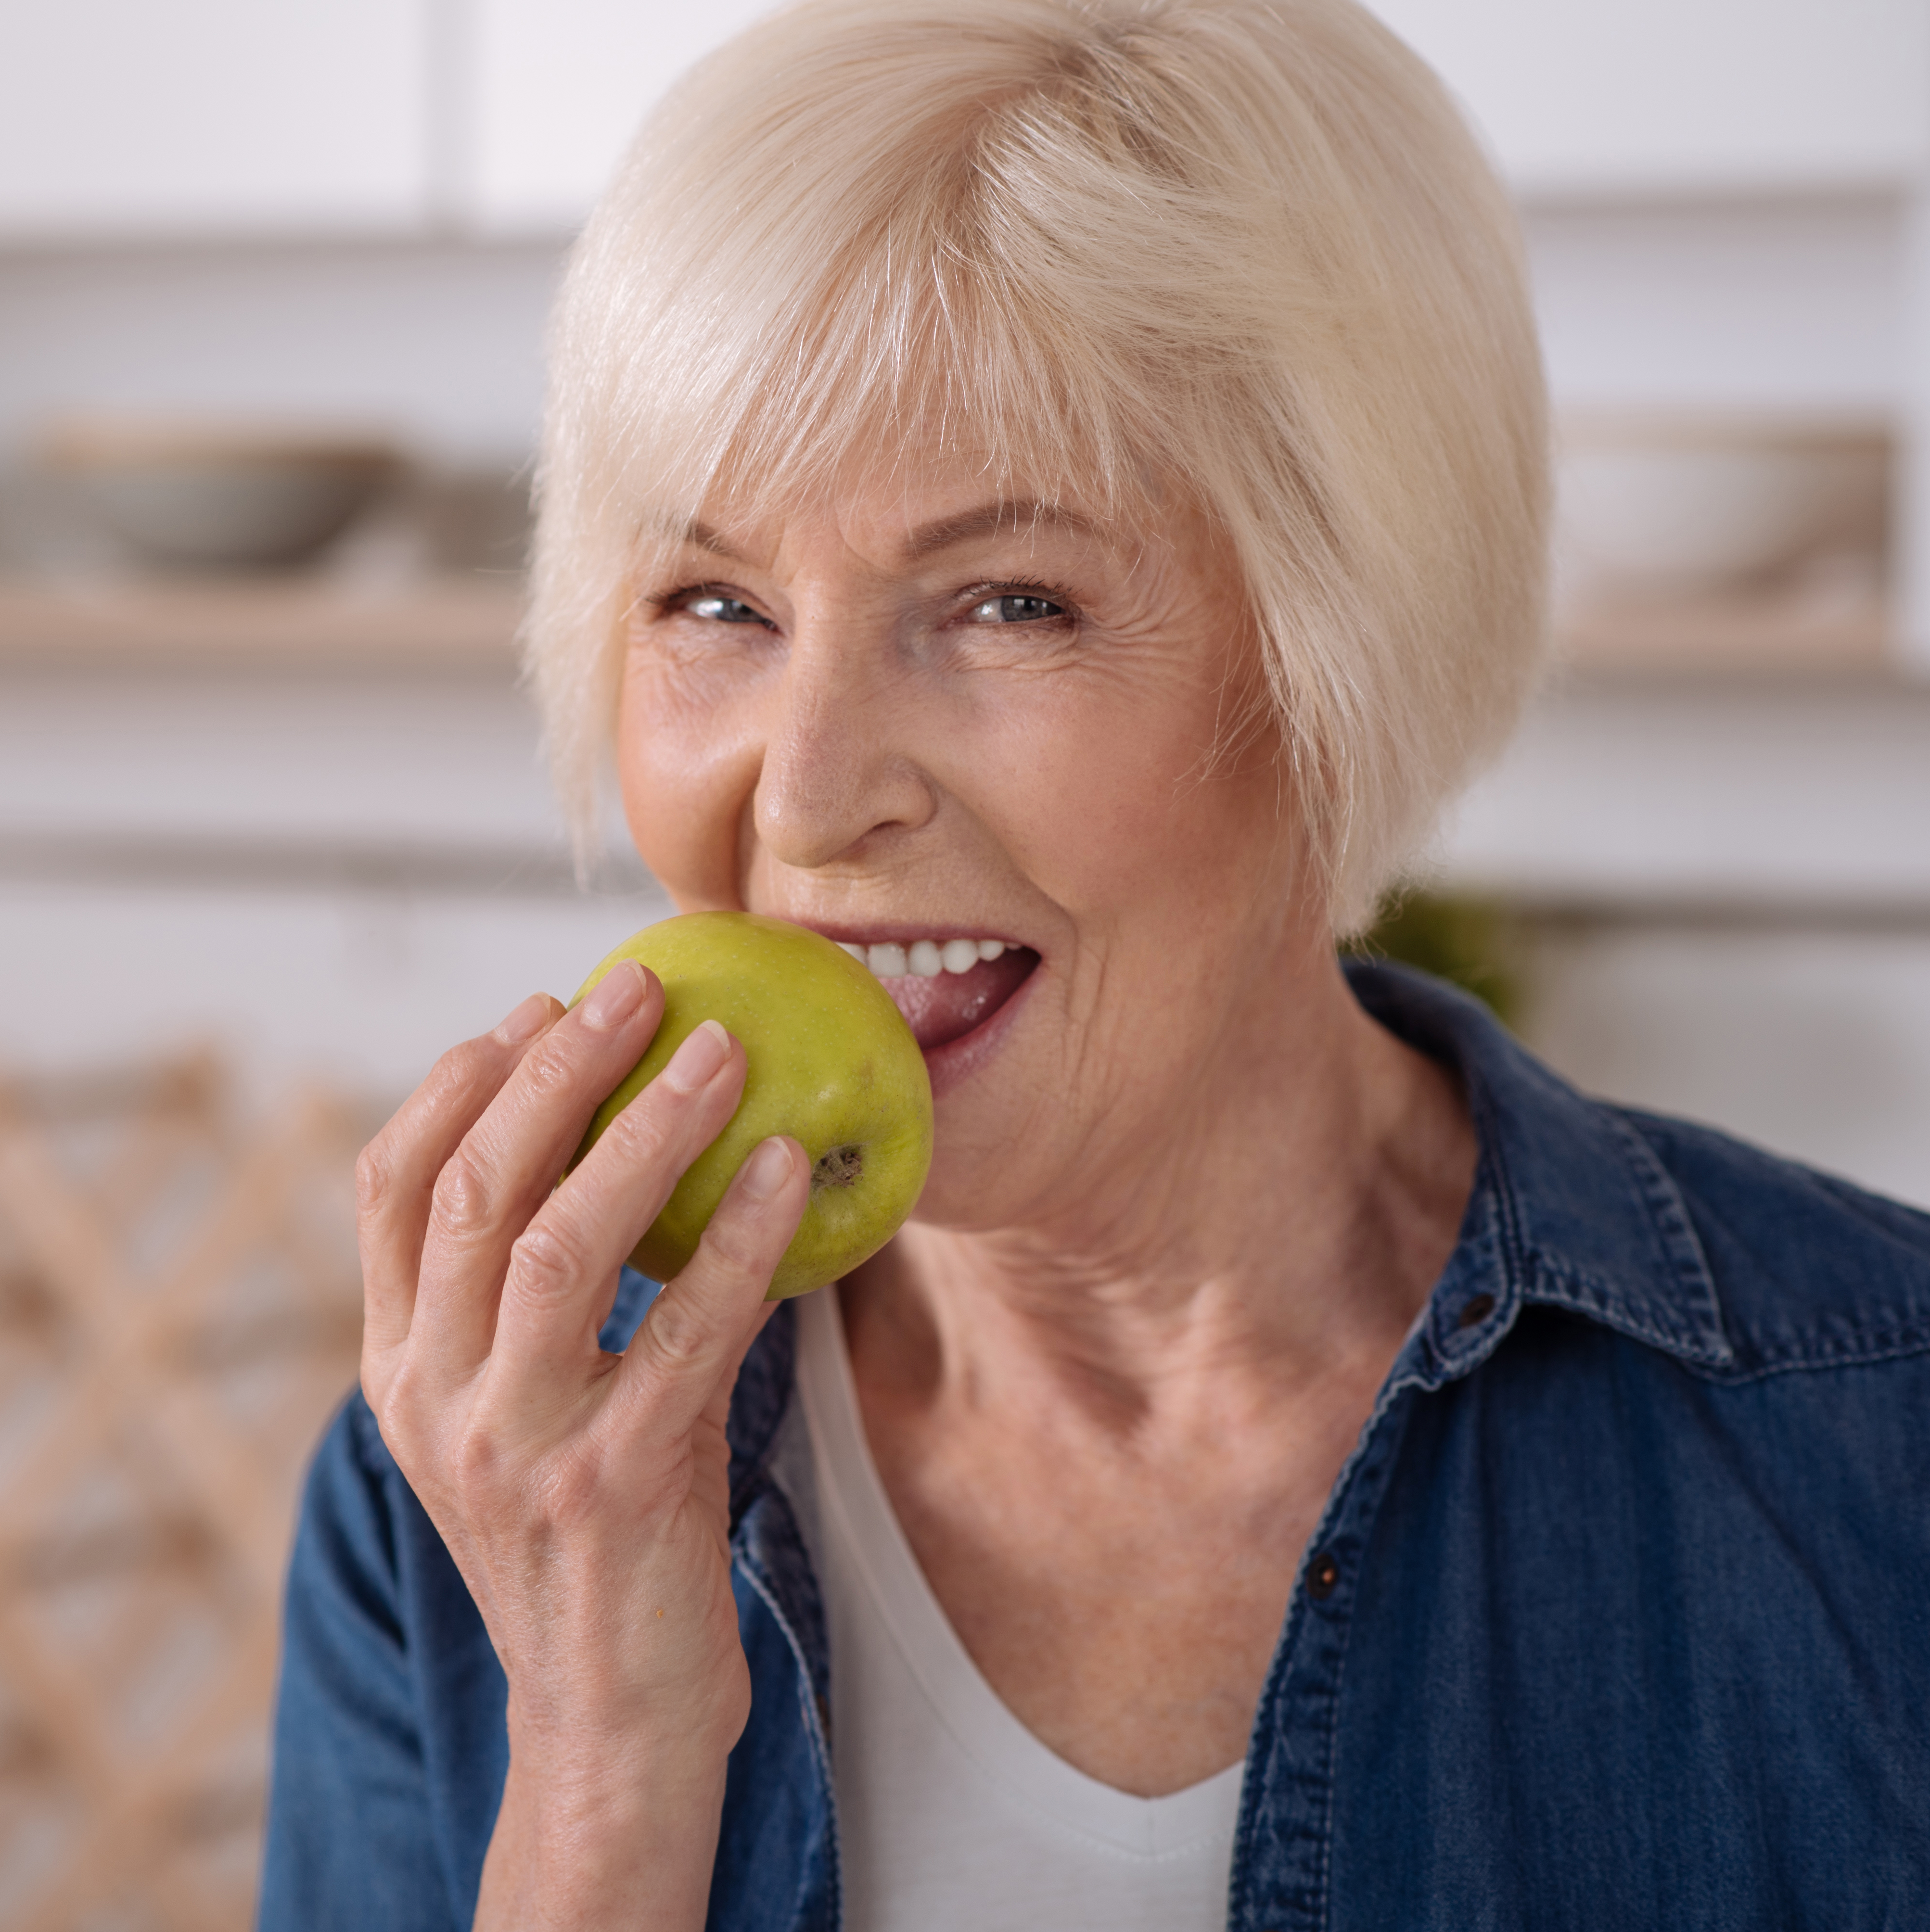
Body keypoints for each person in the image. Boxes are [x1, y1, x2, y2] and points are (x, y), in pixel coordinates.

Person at [257, 0, 1930, 1924]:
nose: (805, 796)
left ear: (1337, 650)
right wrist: (602, 1771)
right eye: (714, 599)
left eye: (1006, 600)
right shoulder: (466, 1487)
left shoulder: (1869, 1449)